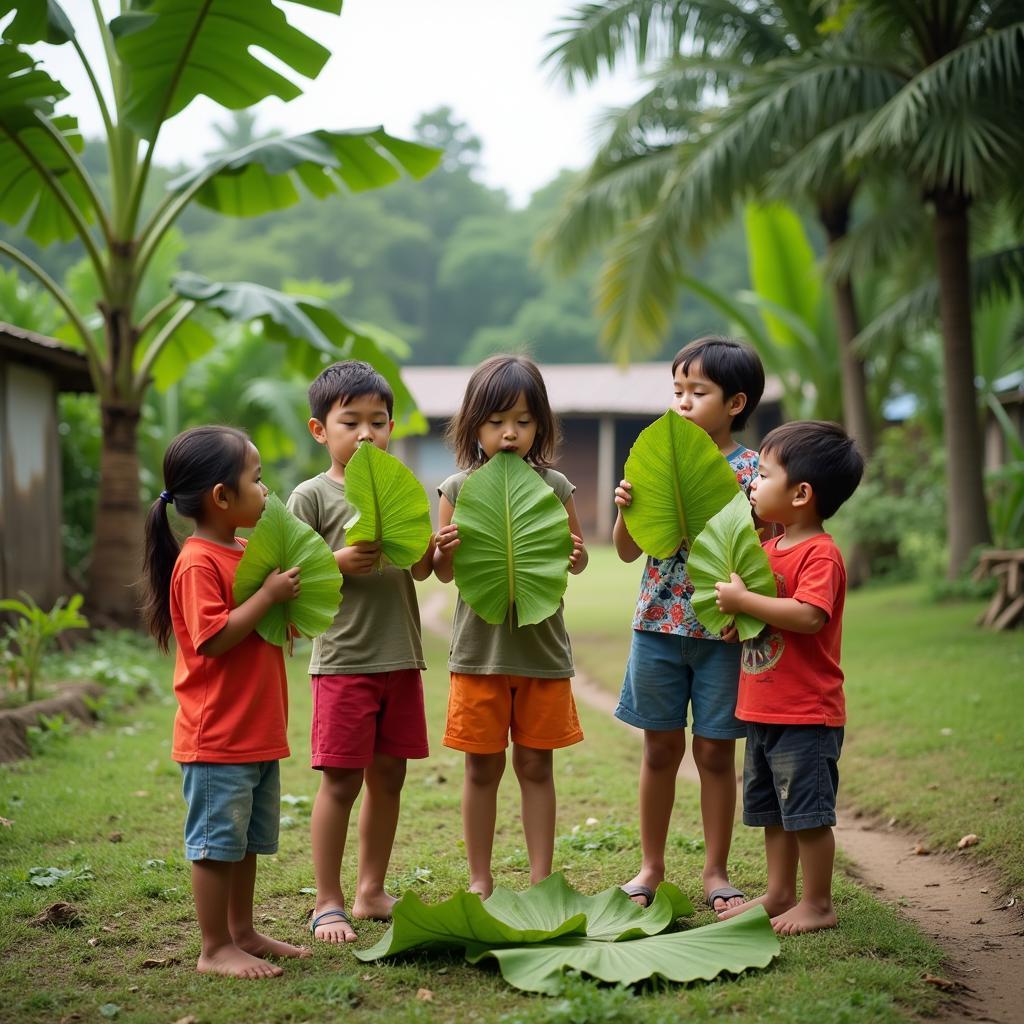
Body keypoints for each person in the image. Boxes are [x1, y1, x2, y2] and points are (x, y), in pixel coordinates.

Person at [142, 425, 309, 979]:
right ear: (221, 496)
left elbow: (251, 627)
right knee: (216, 845)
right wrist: (267, 597)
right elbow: (212, 638)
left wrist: (277, 617)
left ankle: (243, 932)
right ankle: (213, 947)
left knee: (244, 842)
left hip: (256, 729)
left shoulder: (242, 550)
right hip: (217, 736)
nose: (266, 491)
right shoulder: (198, 562)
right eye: (256, 480)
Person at [612, 336, 766, 913]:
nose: (682, 402)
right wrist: (627, 510)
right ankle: (650, 867)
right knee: (658, 752)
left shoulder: (753, 472)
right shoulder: (657, 459)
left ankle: (716, 871)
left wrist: (748, 611)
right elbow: (627, 552)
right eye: (676, 391)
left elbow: (766, 553)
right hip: (656, 626)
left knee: (716, 754)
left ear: (735, 403)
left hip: (721, 635)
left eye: (697, 392)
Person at [287, 360, 434, 944]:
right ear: (320, 430)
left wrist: (433, 547)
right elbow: (287, 574)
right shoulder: (311, 495)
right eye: (351, 422)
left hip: (401, 656)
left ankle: (371, 890)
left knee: (389, 777)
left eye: (379, 422)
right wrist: (335, 562)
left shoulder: (400, 486)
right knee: (341, 783)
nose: (367, 434)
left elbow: (421, 568)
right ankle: (328, 900)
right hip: (344, 661)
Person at [433, 354, 588, 899]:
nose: (510, 433)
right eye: (497, 421)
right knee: (480, 769)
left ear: (540, 426)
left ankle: (541, 877)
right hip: (479, 653)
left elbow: (576, 559)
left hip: (542, 651)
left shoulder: (556, 485)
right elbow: (445, 573)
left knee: (536, 765)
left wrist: (575, 556)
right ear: (474, 424)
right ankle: (480, 879)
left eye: (523, 422)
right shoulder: (456, 488)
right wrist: (442, 551)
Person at [714, 420, 864, 934]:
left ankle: (818, 902)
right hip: (761, 706)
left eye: (763, 473)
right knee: (772, 812)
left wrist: (743, 600)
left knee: (808, 814)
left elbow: (807, 615)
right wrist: (742, 623)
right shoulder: (769, 549)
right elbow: (768, 617)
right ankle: (779, 894)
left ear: (801, 494)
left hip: (806, 712)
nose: (752, 480)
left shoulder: (821, 553)